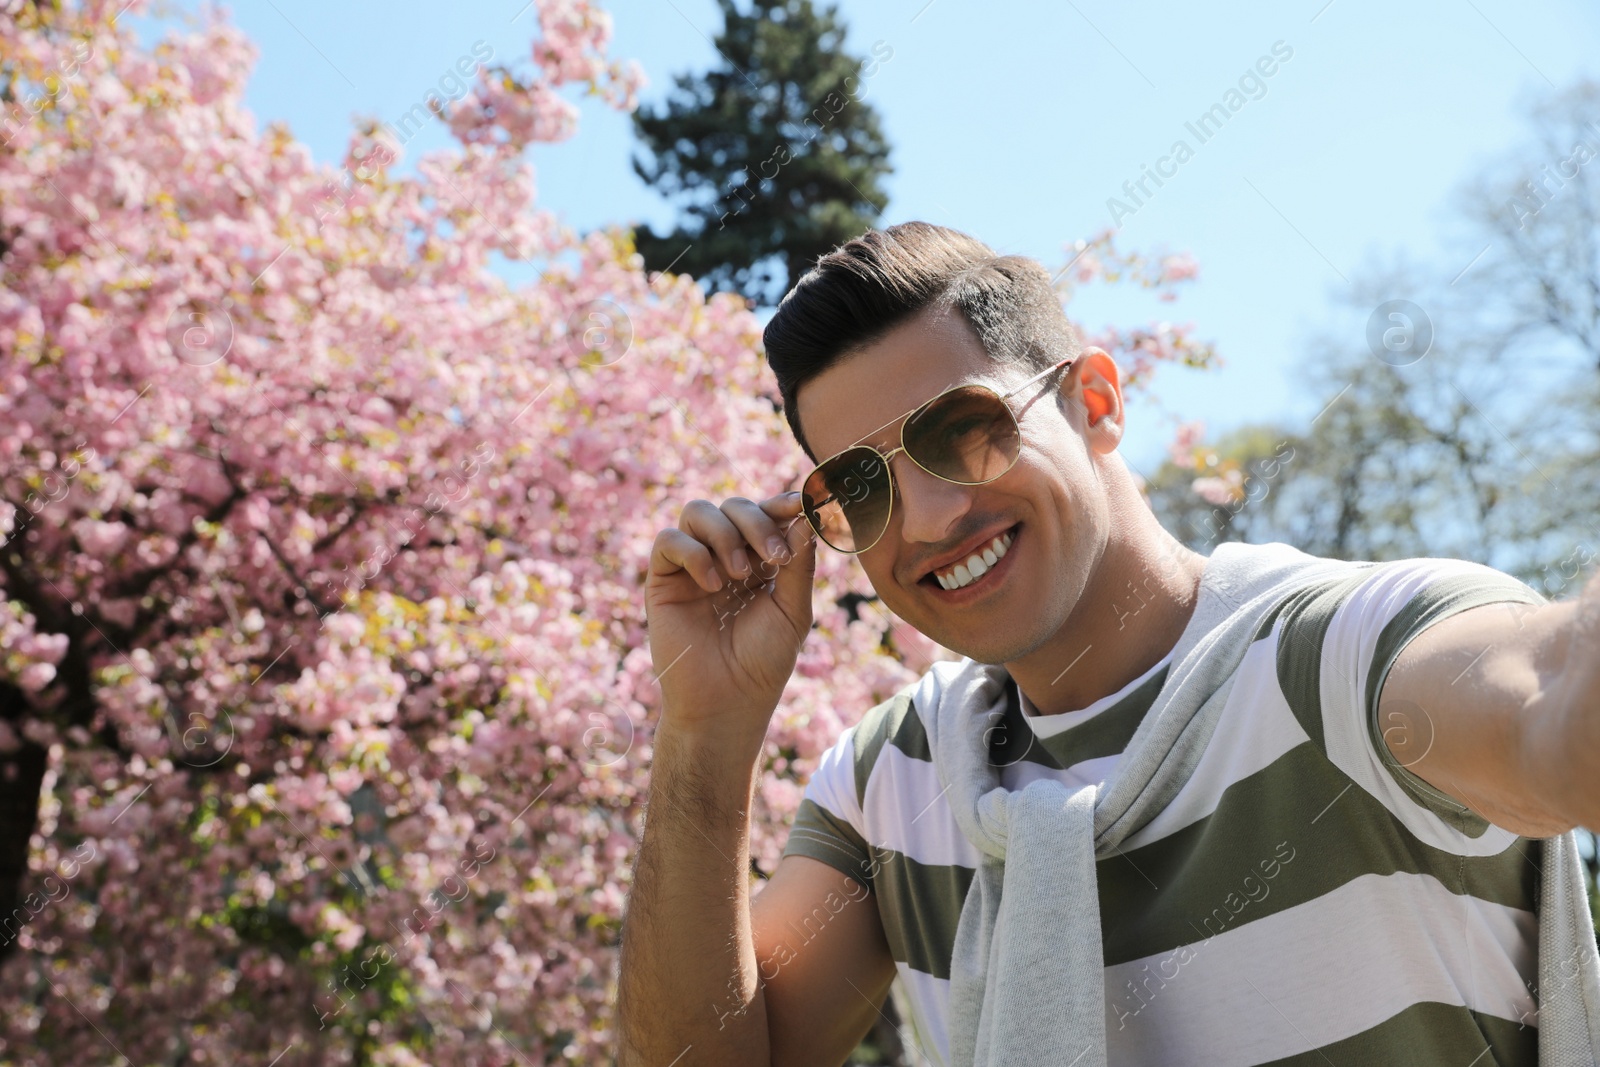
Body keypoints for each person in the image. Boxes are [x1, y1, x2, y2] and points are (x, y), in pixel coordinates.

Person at [616, 221, 1600, 1066]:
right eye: (860, 488)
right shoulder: (893, 785)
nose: (923, 519)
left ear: (1095, 401)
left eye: (962, 430)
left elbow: (1554, 715)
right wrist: (704, 731)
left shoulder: (1341, 655)